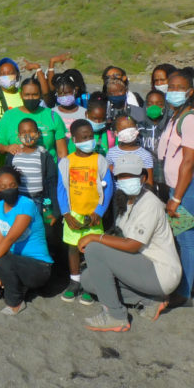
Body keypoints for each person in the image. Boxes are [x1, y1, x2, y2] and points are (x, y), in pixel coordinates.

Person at [79, 154, 182, 331]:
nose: (126, 180)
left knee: (95, 249)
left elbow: (132, 245)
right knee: (88, 280)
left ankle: (115, 316)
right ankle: (149, 300)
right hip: (141, 267)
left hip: (159, 271)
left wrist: (96, 237)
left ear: (142, 178)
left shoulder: (150, 203)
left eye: (131, 176)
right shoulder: (128, 201)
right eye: (121, 177)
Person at [0, 167, 53, 315]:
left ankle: (16, 302)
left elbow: (10, 239)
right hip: (10, 262)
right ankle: (12, 283)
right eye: (4, 187)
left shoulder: (27, 204)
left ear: (18, 185)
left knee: (0, 262)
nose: (9, 189)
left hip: (38, 266)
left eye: (12, 185)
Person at [157, 67, 194, 305]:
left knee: (186, 239)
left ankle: (184, 291)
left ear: (189, 92)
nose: (173, 91)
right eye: (170, 87)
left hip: (184, 187)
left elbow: (188, 161)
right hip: (178, 186)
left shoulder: (189, 119)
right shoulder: (178, 115)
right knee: (193, 237)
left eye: (179, 88)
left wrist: (176, 197)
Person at [57, 119, 115, 304]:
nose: (89, 140)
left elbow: (109, 188)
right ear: (74, 139)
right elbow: (60, 189)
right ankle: (75, 281)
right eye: (84, 137)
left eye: (91, 136)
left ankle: (90, 284)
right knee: (73, 248)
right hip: (73, 214)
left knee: (92, 250)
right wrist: (66, 213)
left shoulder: (100, 160)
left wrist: (99, 211)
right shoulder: (66, 162)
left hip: (93, 216)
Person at [0, 77, 68, 163]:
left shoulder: (52, 116)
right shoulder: (8, 116)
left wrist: (62, 173)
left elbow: (62, 153)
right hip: (17, 172)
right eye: (27, 94)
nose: (30, 98)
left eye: (34, 94)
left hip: (48, 172)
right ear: (20, 95)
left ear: (40, 95)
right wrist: (7, 148)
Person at [5, 118, 58, 212]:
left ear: (38, 134)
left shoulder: (44, 155)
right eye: (23, 132)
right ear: (19, 135)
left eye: (31, 131)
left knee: (36, 225)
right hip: (17, 200)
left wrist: (52, 208)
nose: (27, 135)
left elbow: (51, 180)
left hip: (38, 201)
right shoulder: (13, 154)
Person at [107, 115, 154, 186]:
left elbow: (149, 182)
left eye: (130, 127)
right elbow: (110, 180)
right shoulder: (111, 153)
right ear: (116, 133)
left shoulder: (146, 155)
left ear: (136, 129)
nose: (127, 131)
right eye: (123, 128)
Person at [138, 90, 170, 191]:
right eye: (150, 104)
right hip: (144, 176)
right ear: (145, 106)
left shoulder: (170, 126)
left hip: (166, 177)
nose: (154, 107)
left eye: (159, 104)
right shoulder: (138, 128)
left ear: (165, 106)